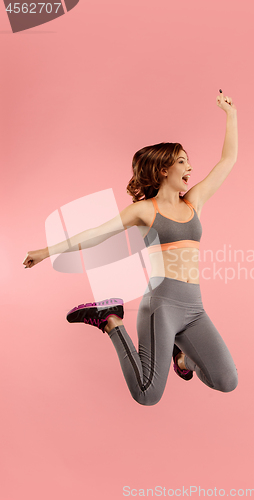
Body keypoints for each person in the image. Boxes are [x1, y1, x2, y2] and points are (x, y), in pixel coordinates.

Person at [22, 90, 239, 406]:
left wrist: (231, 115)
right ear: (163, 170)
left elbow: (228, 160)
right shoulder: (144, 210)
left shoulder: (194, 202)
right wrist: (47, 251)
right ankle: (109, 319)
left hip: (194, 308)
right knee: (147, 394)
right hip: (162, 305)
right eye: (182, 161)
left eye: (188, 161)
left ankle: (181, 359)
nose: (190, 167)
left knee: (226, 380)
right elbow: (96, 233)